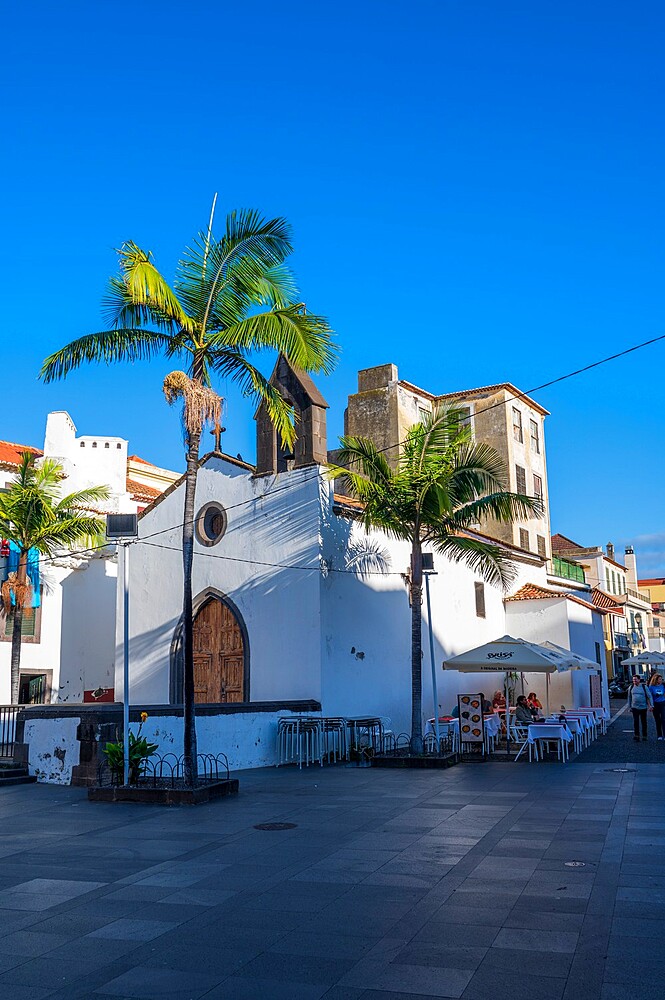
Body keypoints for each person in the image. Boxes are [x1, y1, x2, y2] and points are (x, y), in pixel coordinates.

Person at [627, 674, 653, 741]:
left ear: (639, 680)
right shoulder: (631, 687)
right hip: (634, 707)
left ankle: (644, 735)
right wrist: (629, 707)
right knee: (636, 722)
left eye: (635, 679)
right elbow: (629, 697)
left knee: (644, 722)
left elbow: (649, 696)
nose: (634, 681)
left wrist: (651, 705)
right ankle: (637, 735)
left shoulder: (644, 687)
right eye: (633, 680)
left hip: (643, 707)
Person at [648, 673, 665, 741]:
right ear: (656, 680)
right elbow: (649, 697)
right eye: (660, 679)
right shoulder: (651, 687)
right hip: (655, 704)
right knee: (658, 720)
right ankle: (659, 735)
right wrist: (650, 705)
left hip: (663, 703)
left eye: (661, 679)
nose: (661, 680)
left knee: (664, 719)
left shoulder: (663, 686)